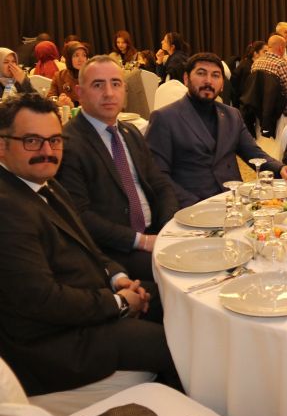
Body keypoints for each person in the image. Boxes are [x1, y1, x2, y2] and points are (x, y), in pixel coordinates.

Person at [0, 94, 179, 395]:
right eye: (32, 141)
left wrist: (117, 278)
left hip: (86, 304)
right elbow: (42, 301)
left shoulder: (46, 184)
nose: (47, 152)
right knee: (175, 344)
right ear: (3, 145)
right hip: (54, 343)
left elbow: (87, 245)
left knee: (175, 300)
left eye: (54, 140)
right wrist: (119, 303)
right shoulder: (7, 207)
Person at [58, 55, 178, 281]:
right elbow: (79, 216)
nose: (109, 93)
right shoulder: (69, 143)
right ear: (79, 92)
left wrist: (168, 228)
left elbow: (160, 184)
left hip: (155, 234)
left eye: (115, 83)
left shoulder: (130, 132)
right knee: (183, 270)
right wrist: (141, 241)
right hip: (114, 250)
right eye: (98, 85)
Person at [146, 52, 287, 207]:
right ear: (186, 79)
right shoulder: (165, 118)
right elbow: (157, 175)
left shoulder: (232, 115)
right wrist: (195, 205)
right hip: (192, 207)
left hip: (234, 202)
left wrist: (281, 168)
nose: (208, 81)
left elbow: (254, 153)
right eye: (201, 73)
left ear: (222, 85)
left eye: (215, 75)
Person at [249, 35, 287, 115]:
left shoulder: (256, 63)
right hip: (280, 111)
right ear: (281, 48)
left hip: (259, 109)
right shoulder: (282, 64)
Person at [47, 41, 87, 108]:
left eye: (84, 55)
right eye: (76, 55)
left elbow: (95, 100)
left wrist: (73, 105)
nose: (81, 59)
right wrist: (58, 102)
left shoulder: (91, 76)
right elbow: (50, 99)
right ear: (68, 58)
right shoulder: (59, 76)